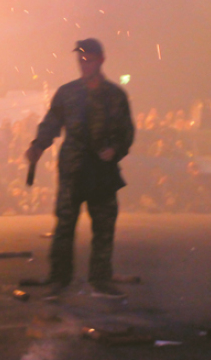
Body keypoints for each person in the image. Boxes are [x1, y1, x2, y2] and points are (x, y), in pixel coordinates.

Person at [25, 39, 135, 300]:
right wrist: (38, 146)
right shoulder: (67, 93)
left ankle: (100, 280)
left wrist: (115, 150)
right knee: (64, 227)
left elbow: (126, 132)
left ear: (101, 60)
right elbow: (51, 123)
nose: (84, 65)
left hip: (102, 172)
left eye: (89, 60)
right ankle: (59, 278)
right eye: (81, 60)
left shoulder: (115, 95)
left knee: (104, 227)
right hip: (73, 170)